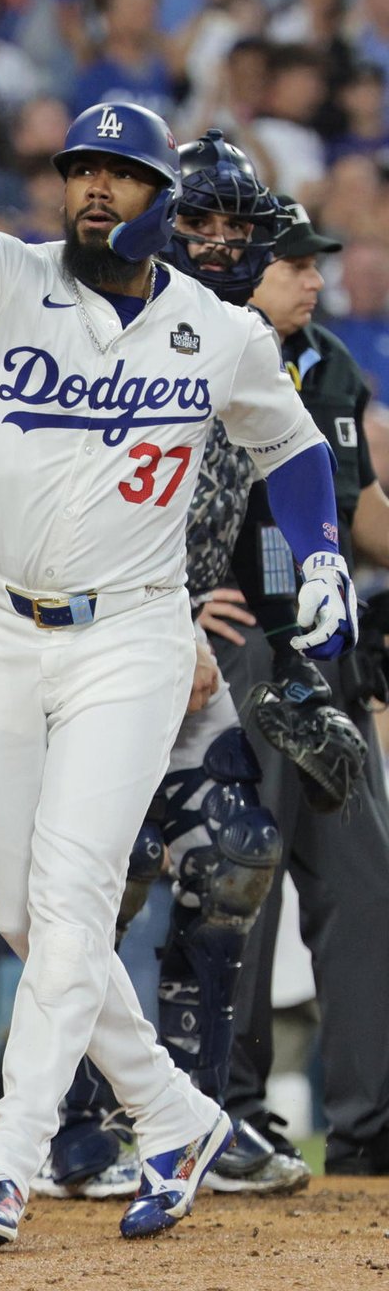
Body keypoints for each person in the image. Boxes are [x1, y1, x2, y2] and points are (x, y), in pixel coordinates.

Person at [0, 54, 357, 1242]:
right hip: (7, 629)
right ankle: (177, 1119)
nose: (93, 188)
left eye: (122, 175)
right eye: (81, 168)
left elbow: (290, 450)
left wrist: (321, 551)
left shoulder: (215, 331)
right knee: (29, 915)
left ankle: (6, 1158)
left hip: (133, 631)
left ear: (162, 203)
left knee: (74, 897)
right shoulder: (2, 280)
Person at [34, 133, 313, 1203]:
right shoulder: (104, 315)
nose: (220, 241)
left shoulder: (247, 342)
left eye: (237, 224)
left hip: (182, 646)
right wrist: (167, 607)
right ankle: (76, 1118)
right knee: (106, 874)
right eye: (197, 220)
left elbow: (264, 511)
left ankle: (194, 1120)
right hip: (85, 635)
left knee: (234, 852)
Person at [217, 199, 389, 1177]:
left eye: (316, 264)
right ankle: (227, 1112)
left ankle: (369, 1124)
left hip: (324, 652)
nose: (313, 279)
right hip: (242, 645)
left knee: (364, 885)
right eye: (294, 265)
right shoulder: (203, 346)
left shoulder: (327, 362)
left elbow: (357, 502)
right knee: (239, 883)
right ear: (249, 267)